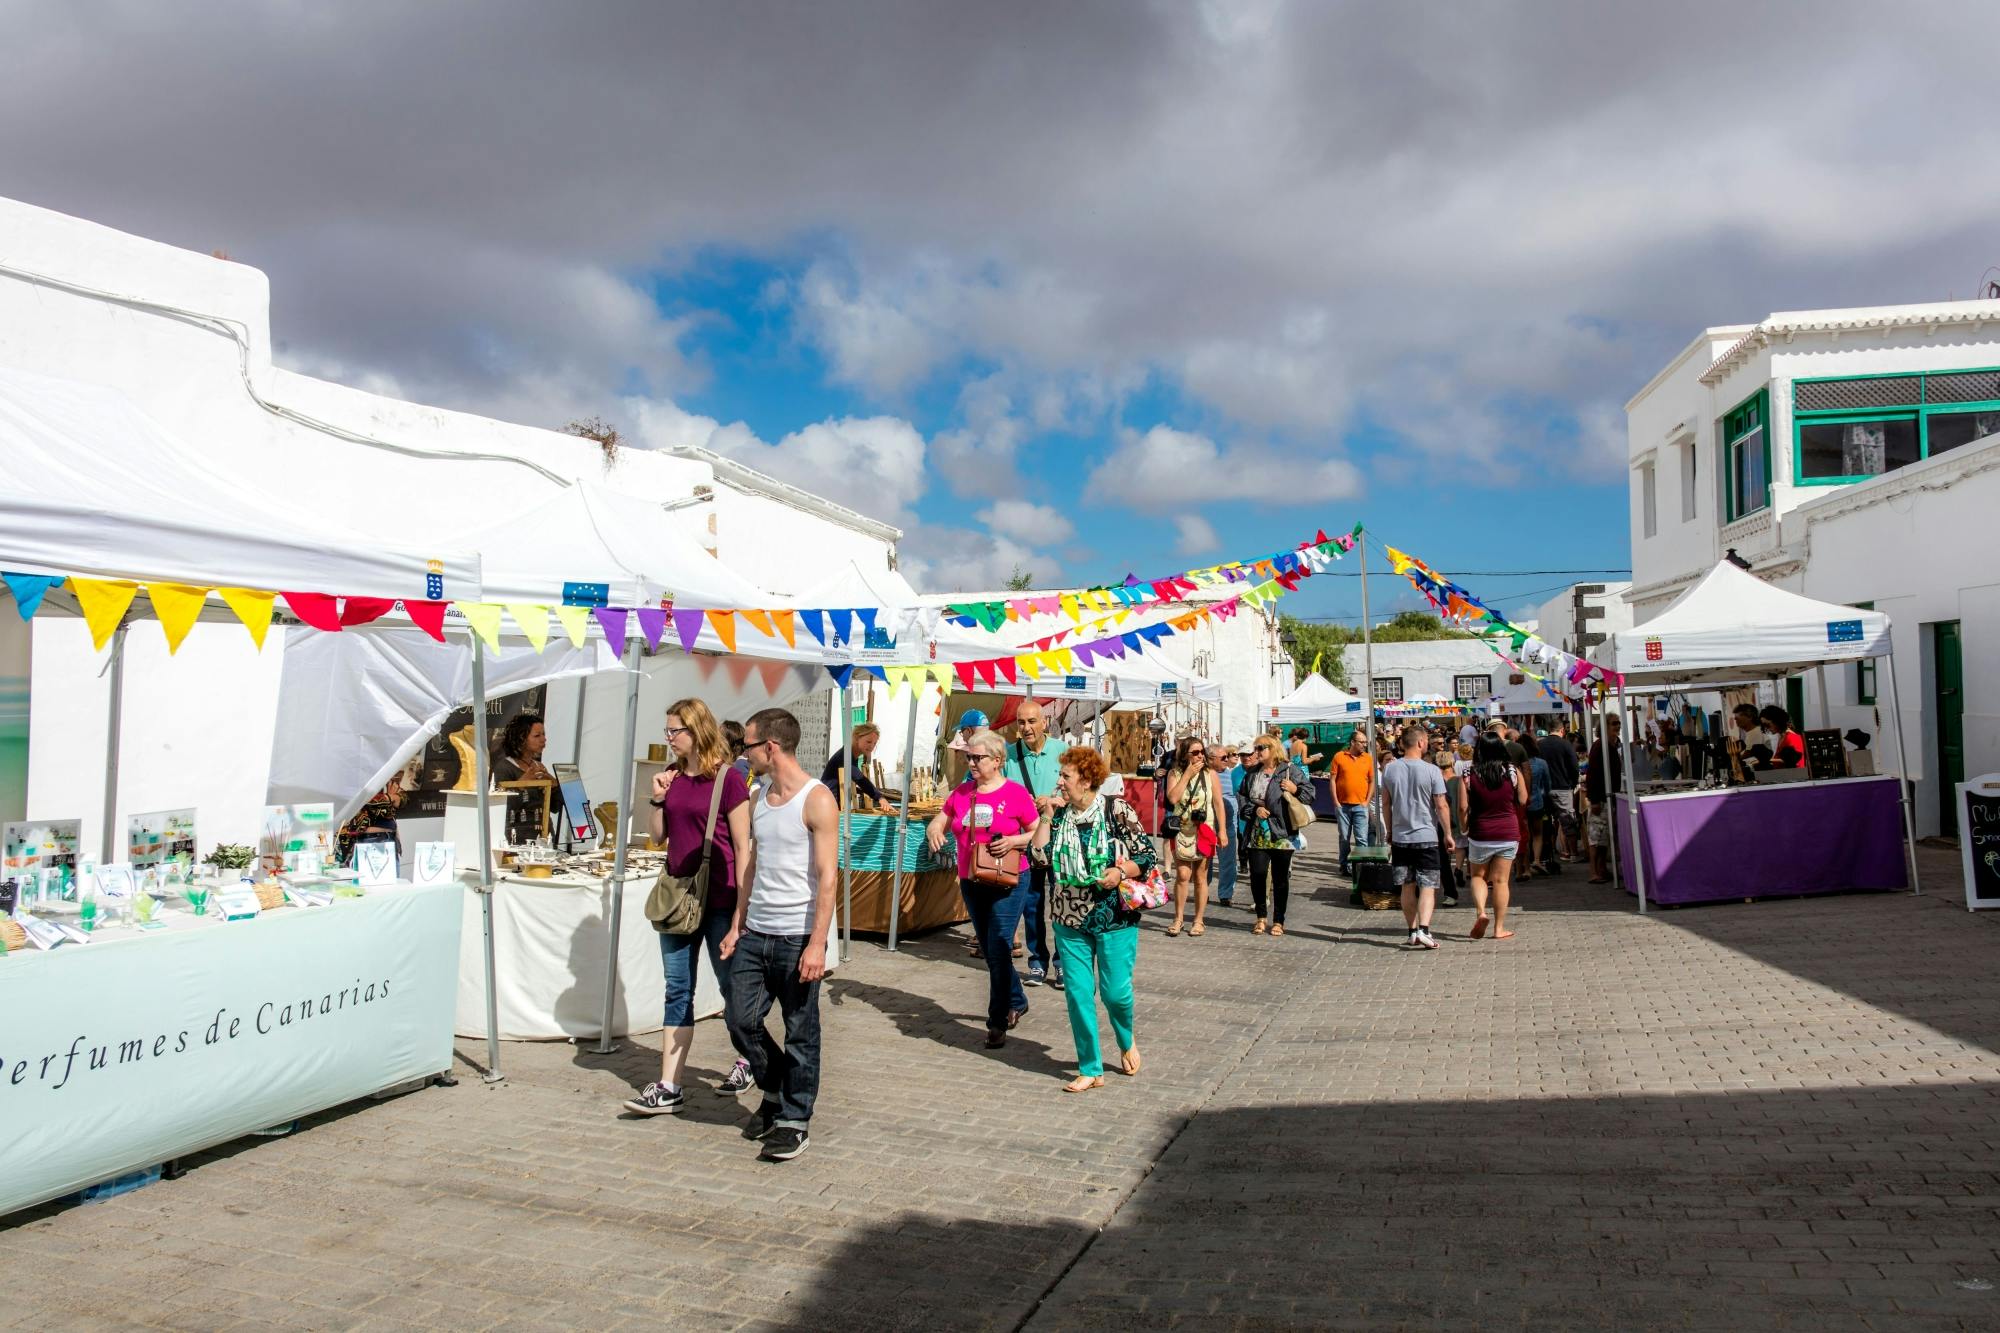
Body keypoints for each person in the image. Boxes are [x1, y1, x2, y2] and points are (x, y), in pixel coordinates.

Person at [622, 699, 756, 1116]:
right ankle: (669, 1085)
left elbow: (742, 846)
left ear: (696, 730)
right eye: (667, 731)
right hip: (679, 897)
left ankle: (750, 1058)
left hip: (719, 898)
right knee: (677, 988)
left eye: (674, 730)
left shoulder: (728, 780)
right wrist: (657, 799)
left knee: (733, 987)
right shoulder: (673, 777)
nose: (670, 738)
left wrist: (741, 912)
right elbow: (657, 837)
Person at [721, 707, 840, 1162]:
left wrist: (817, 943)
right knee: (740, 1020)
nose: (744, 754)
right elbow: (749, 867)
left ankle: (793, 1119)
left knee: (800, 1032)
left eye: (747, 746)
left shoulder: (817, 799)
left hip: (796, 936)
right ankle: (773, 1090)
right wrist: (737, 924)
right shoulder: (758, 796)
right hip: (756, 931)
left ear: (770, 746)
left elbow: (828, 877)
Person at [1032, 745, 1157, 1093]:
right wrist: (1046, 813)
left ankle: (1125, 1037)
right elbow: (1038, 856)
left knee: (1115, 993)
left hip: (1114, 916)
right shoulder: (1060, 816)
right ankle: (1091, 1067)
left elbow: (1147, 855)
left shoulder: (1116, 810)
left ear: (1086, 781)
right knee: (1077, 993)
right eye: (1060, 776)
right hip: (1068, 917)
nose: (1059, 782)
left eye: (1065, 777)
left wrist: (1119, 871)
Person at [926, 730, 1040, 1049]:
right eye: (969, 757)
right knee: (991, 951)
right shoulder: (962, 793)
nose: (972, 762)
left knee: (1000, 945)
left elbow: (1037, 832)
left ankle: (997, 1021)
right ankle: (1016, 998)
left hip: (1009, 880)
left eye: (978, 757)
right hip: (972, 879)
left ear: (998, 760)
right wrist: (934, 830)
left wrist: (1014, 841)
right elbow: (942, 820)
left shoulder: (1016, 794)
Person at [1005, 700, 1063, 987]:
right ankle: (1037, 961)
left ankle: (1063, 963)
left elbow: (1080, 791)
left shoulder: (1062, 752)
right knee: (1032, 902)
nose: (1026, 728)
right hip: (1026, 840)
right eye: (1021, 722)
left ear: (1044, 723)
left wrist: (1053, 801)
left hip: (1059, 836)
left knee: (1062, 900)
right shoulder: (1008, 756)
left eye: (1031, 722)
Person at [1382, 726, 1453, 949]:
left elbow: (1385, 803)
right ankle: (1424, 929)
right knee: (1428, 885)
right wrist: (1448, 833)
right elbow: (1441, 805)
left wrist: (1390, 830)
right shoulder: (1432, 770)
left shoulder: (1390, 770)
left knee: (1407, 885)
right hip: (1427, 835)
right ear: (1422, 743)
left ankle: (1412, 930)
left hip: (1401, 836)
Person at [1236, 736, 1315, 937]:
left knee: (1280, 878)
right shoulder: (1253, 772)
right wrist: (1254, 810)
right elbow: (1243, 797)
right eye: (1256, 748)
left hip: (1282, 831)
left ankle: (1279, 920)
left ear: (1273, 749)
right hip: (1257, 831)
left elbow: (1309, 794)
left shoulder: (1289, 770)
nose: (1256, 752)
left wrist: (1294, 789)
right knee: (1258, 873)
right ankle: (1261, 917)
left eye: (1260, 748)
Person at [1461, 736, 1527, 940]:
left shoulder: (1468, 774)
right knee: (1501, 881)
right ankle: (1499, 929)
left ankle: (1481, 912)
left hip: (1481, 832)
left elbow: (1463, 807)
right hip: (1507, 831)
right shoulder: (1512, 771)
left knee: (1478, 876)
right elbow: (1523, 799)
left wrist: (1464, 828)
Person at [1164, 735, 1225, 937]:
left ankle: (1199, 920)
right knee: (1182, 875)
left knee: (1200, 876)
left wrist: (1222, 830)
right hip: (1182, 828)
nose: (1200, 756)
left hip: (1204, 828)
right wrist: (1187, 775)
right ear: (1185, 755)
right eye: (1195, 752)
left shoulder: (1211, 774)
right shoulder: (1175, 773)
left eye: (1202, 752)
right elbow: (1172, 798)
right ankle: (1178, 918)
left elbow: (1218, 803)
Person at [821, 722, 894, 814]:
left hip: (832, 803)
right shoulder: (845, 755)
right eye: (868, 741)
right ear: (856, 738)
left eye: (874, 743)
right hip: (827, 803)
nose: (871, 746)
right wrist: (880, 798)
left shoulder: (852, 755)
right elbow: (860, 779)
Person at [1331, 728, 1375, 878]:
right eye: (1361, 742)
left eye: (1365, 742)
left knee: (1361, 838)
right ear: (1352, 742)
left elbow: (1372, 781)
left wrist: (1366, 802)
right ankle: (1344, 865)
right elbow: (1332, 780)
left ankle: (1359, 868)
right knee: (1344, 837)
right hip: (1342, 805)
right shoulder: (1339, 756)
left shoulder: (1368, 758)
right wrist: (1336, 802)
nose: (1364, 744)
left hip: (1360, 805)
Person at [1585, 715, 1623, 884]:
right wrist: (1593, 800)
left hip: (1609, 797)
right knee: (1595, 837)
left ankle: (1602, 868)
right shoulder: (1600, 746)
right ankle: (1594, 871)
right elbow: (1592, 775)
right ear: (1605, 726)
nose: (1618, 726)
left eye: (1619, 723)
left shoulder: (1611, 745)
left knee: (1604, 837)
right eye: (1614, 723)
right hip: (1600, 799)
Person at [1538, 723, 1581, 867]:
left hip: (1544, 789)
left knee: (1546, 822)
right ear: (1562, 730)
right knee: (1568, 821)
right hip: (1562, 788)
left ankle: (1547, 854)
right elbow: (1574, 766)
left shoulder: (1540, 745)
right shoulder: (1566, 745)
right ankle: (1573, 853)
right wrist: (1573, 782)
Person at [1208, 742, 1242, 906]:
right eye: (1223, 757)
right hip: (1207, 824)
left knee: (1228, 861)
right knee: (1205, 860)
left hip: (1228, 823)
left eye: (1228, 756)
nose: (1227, 760)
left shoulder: (1230, 773)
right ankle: (1203, 890)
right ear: (1211, 759)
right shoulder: (1204, 773)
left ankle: (1225, 894)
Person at [1517, 731, 1551, 878]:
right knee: (1538, 834)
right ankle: (1536, 860)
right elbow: (1548, 784)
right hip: (1537, 801)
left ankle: (1525, 868)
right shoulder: (1541, 763)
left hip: (1521, 803)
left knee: (1525, 836)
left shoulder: (1516, 765)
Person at [492, 712, 555, 785]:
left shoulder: (540, 766)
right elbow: (500, 795)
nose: (544, 739)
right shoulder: (504, 768)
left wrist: (555, 787)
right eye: (537, 735)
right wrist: (520, 785)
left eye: (543, 734)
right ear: (521, 738)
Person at [1758, 705, 1805, 771]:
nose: (1766, 728)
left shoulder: (1792, 737)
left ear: (1777, 721)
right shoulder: (1783, 736)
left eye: (1767, 725)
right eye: (1764, 726)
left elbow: (1791, 761)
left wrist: (1766, 760)